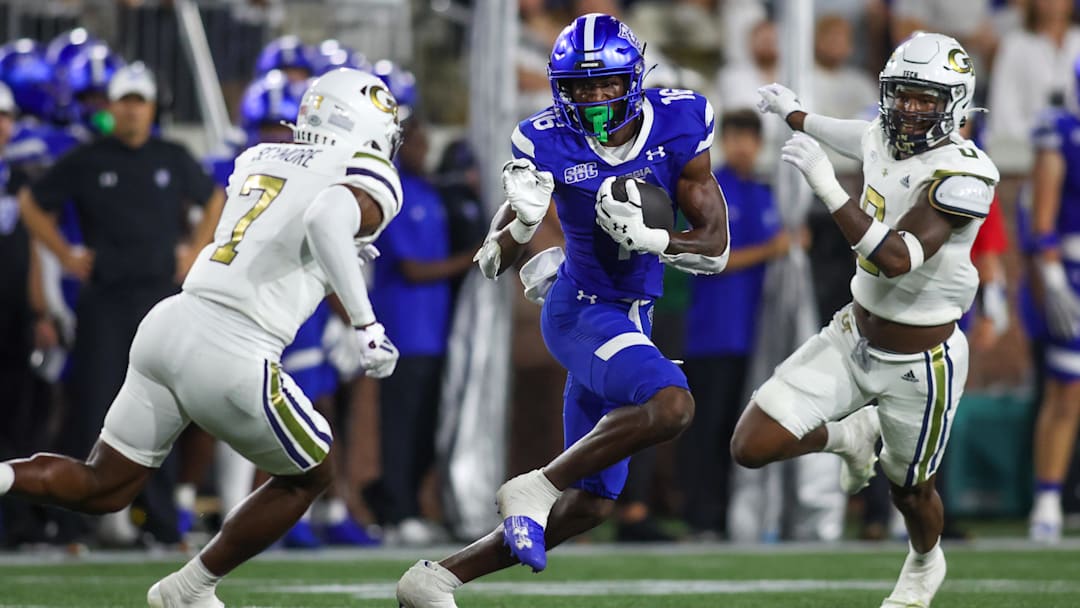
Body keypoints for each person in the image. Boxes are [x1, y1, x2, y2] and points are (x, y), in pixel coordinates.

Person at [0, 67, 404, 606]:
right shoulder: (365, 168)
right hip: (235, 343)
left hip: (171, 322)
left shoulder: (261, 155)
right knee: (311, 474)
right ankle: (189, 589)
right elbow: (327, 216)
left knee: (103, 486)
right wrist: (366, 324)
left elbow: (291, 223)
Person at [396, 13, 730, 606]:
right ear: (560, 87)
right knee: (672, 405)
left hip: (633, 317)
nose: (596, 98)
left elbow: (715, 248)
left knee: (594, 502)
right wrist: (520, 220)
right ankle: (536, 485)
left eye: (606, 84)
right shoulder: (544, 137)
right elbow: (492, 260)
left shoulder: (680, 121)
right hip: (580, 309)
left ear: (635, 78)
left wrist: (655, 241)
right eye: (580, 86)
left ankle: (436, 578)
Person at [736, 32, 998, 607]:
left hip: (921, 360)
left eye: (925, 98)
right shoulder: (884, 134)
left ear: (955, 103)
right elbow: (853, 134)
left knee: (910, 490)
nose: (908, 109)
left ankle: (926, 561)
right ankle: (852, 435)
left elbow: (898, 257)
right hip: (854, 331)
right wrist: (795, 112)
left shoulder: (965, 175)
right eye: (901, 94)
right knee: (752, 443)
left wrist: (828, 188)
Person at [678, 108, 789, 540]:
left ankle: (732, 517)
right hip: (712, 332)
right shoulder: (708, 190)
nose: (744, 147)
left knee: (740, 429)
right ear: (723, 142)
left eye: (751, 138)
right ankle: (699, 518)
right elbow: (711, 259)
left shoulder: (767, 194)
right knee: (706, 429)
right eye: (736, 138)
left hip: (755, 335)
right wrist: (772, 250)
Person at [1024, 57, 1080, 543]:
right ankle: (1047, 500)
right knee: (1067, 389)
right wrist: (1054, 276)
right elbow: (1042, 217)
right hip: (1073, 268)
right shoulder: (1060, 131)